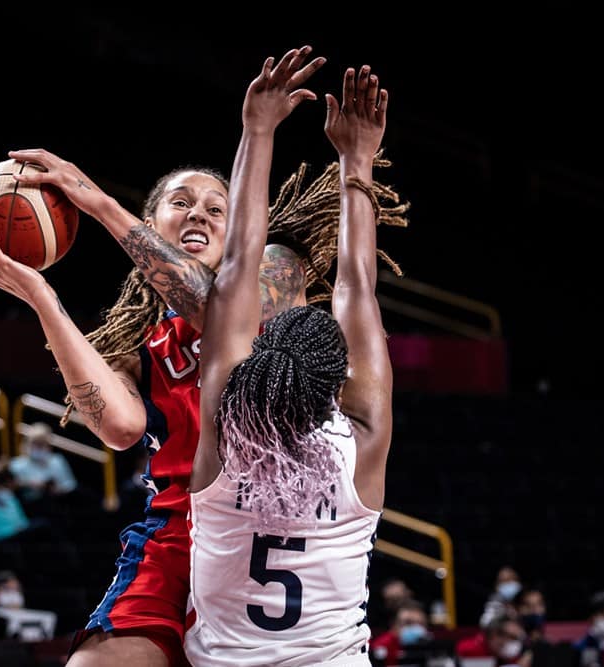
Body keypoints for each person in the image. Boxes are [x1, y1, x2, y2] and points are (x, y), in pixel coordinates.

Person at [0, 49, 406, 667]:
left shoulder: (277, 268)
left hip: (273, 514)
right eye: (181, 202)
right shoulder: (137, 341)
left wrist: (94, 201)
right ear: (153, 222)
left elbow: (219, 301)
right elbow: (118, 428)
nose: (198, 212)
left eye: (217, 207)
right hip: (176, 536)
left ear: (239, 226)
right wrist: (43, 299)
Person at [184, 51, 398, 665]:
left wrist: (257, 128)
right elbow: (357, 283)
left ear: (255, 362)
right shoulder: (362, 442)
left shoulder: (225, 434)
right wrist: (357, 160)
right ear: (339, 382)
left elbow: (234, 271)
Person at [8, 421, 78, 505]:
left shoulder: (57, 460)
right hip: (29, 506)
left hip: (57, 503)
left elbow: (70, 484)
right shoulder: (16, 464)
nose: (39, 447)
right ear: (27, 444)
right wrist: (27, 484)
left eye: (42, 444)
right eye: (35, 443)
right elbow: (9, 487)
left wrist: (57, 489)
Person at [370, 600, 434, 667]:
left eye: (420, 624)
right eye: (408, 623)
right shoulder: (382, 644)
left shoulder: (433, 646)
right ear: (394, 624)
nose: (415, 628)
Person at [456, 614, 528, 666]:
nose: (506, 641)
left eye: (514, 638)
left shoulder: (515, 656)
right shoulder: (470, 648)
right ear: (492, 633)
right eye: (501, 634)